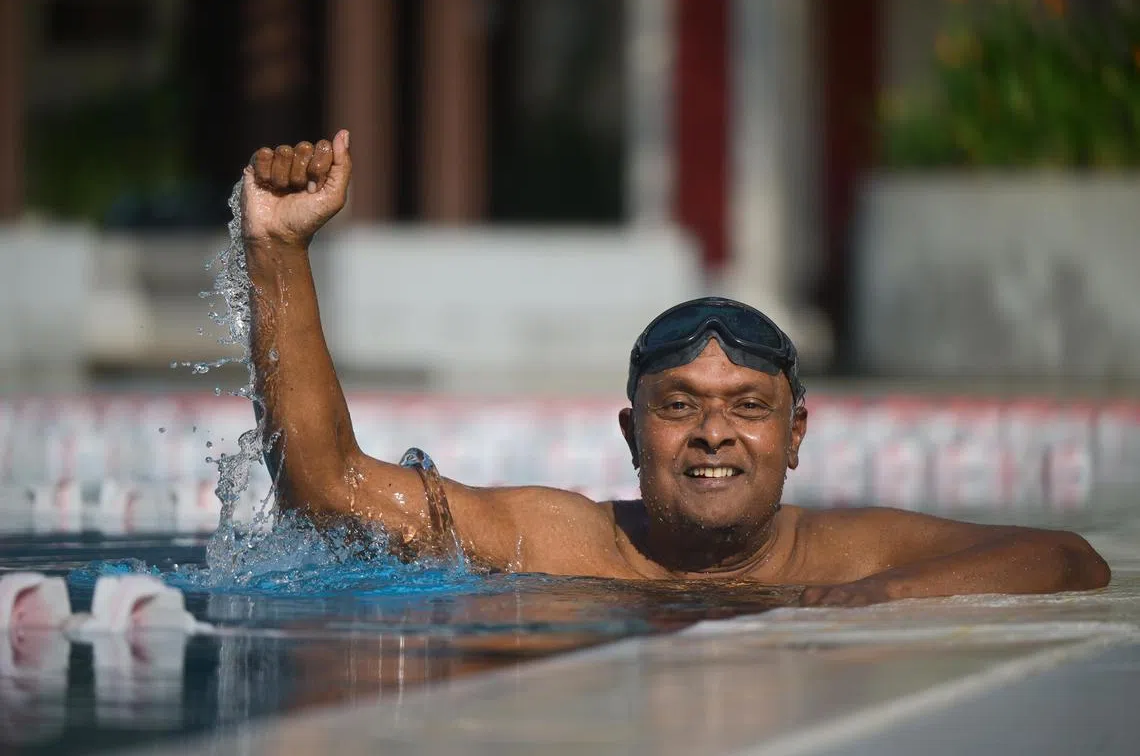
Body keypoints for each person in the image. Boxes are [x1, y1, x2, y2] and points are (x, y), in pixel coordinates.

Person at [240, 130, 1111, 606]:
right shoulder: (554, 544)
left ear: (795, 433)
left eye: (748, 406)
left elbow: (1067, 559)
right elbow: (329, 489)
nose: (714, 434)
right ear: (631, 432)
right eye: (680, 404)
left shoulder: (847, 557)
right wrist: (279, 251)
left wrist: (868, 602)